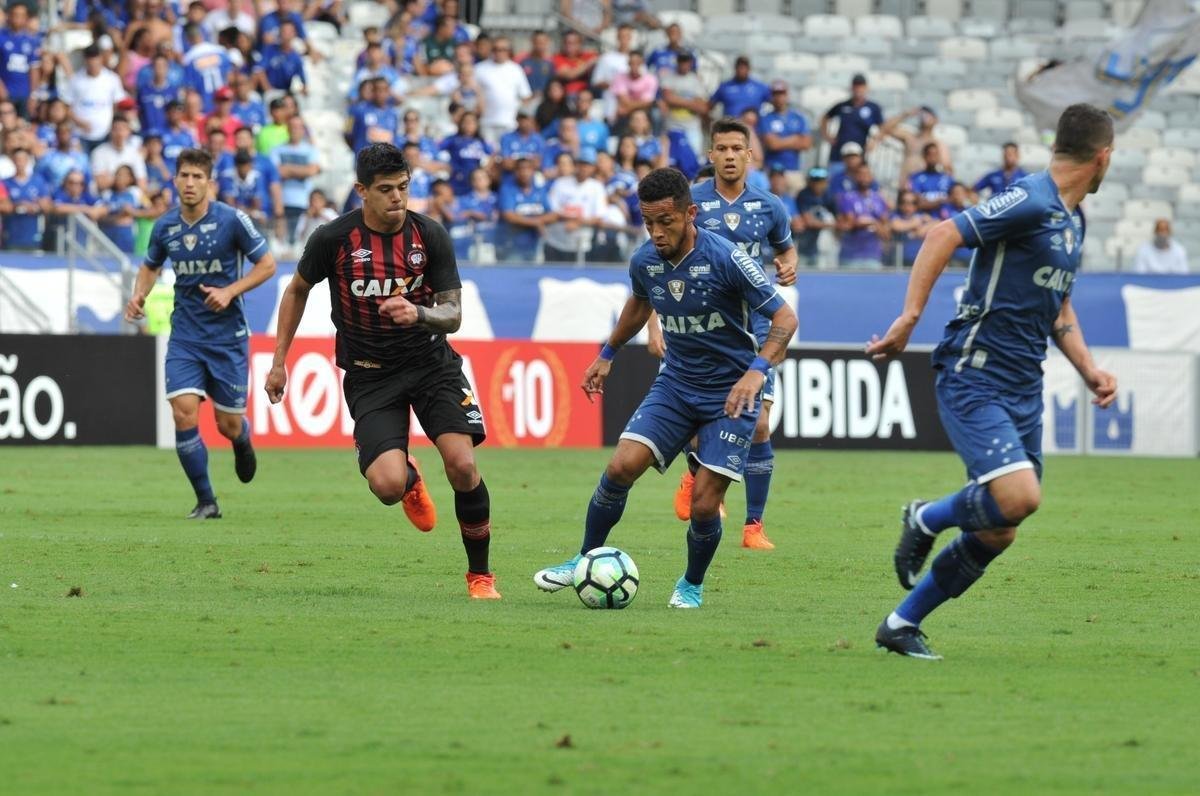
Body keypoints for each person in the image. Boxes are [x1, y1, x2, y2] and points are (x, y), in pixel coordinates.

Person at [866, 103, 1119, 660]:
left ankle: (901, 623)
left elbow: (1059, 309)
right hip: (975, 370)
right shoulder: (1030, 199)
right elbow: (940, 235)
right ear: (1103, 157)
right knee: (1018, 494)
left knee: (1002, 526)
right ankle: (925, 516)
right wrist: (908, 318)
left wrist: (1090, 369)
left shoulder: (1073, 221)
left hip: (1025, 383)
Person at [533, 167, 799, 607]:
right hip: (676, 384)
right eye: (649, 222)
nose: (656, 232)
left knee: (702, 505)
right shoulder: (645, 260)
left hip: (731, 395)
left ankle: (691, 584)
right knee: (620, 468)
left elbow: (785, 319)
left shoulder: (728, 259)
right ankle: (581, 558)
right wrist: (607, 354)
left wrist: (756, 371)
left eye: (666, 221)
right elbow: (639, 303)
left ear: (690, 213)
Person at [265, 142, 501, 600]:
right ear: (362, 191)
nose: (398, 198)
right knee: (387, 485)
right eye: (387, 189)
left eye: (405, 188)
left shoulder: (429, 235)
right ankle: (410, 478)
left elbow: (453, 314)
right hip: (371, 375)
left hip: (433, 366)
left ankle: (481, 577)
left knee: (463, 465)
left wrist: (420, 314)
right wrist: (279, 362)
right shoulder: (333, 239)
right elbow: (296, 291)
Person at [655, 117, 798, 550]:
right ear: (712, 155)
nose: (731, 155)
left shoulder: (770, 206)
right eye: (723, 148)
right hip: (704, 326)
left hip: (756, 328)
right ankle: (695, 474)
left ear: (749, 154)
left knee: (759, 426)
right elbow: (655, 263)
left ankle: (753, 526)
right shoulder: (691, 202)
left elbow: (785, 248)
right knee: (699, 425)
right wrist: (652, 323)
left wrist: (789, 265)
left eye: (738, 148)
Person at [124, 147, 278, 519]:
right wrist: (138, 295)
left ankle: (241, 438)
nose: (190, 183)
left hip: (227, 338)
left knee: (226, 424)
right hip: (186, 337)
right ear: (175, 180)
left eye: (198, 177)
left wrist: (229, 291)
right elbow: (150, 266)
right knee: (183, 414)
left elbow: (268, 265)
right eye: (184, 176)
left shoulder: (232, 220)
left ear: (210, 183)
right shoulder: (165, 226)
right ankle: (207, 501)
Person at [821, 74, 884, 184]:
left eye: (861, 86)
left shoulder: (873, 107)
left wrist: (875, 141)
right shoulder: (843, 105)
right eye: (856, 86)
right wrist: (827, 136)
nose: (858, 89)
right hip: (839, 155)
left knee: (859, 184)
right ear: (852, 88)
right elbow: (825, 118)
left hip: (859, 156)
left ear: (866, 88)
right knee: (836, 183)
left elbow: (883, 127)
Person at [497, 154, 554, 262]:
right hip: (512, 247)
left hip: (537, 245)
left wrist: (535, 221)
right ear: (515, 172)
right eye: (521, 169)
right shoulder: (507, 190)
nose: (524, 173)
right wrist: (536, 223)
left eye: (528, 169)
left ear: (533, 171)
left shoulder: (540, 190)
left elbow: (552, 215)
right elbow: (509, 216)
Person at [758, 81, 811, 193]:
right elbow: (772, 144)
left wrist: (780, 141)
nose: (779, 97)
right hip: (772, 171)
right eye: (776, 94)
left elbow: (806, 144)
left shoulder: (798, 117)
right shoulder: (766, 118)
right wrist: (795, 138)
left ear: (787, 95)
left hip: (793, 170)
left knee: (795, 204)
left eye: (782, 93)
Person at [836, 161, 890, 268]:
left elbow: (886, 232)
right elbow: (847, 224)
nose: (864, 178)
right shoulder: (847, 198)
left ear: (872, 177)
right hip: (850, 256)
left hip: (873, 256)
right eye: (860, 174)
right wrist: (865, 223)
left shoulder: (879, 199)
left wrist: (872, 222)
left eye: (867, 174)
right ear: (855, 177)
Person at [880, 105, 950, 184]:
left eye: (929, 115)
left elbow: (947, 167)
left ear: (935, 120)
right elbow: (885, 128)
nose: (926, 117)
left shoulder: (938, 144)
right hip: (907, 183)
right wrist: (906, 114)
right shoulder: (910, 138)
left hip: (925, 186)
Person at [795, 166, 837, 267]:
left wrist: (833, 224)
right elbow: (809, 221)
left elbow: (840, 219)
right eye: (815, 181)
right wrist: (831, 224)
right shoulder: (804, 195)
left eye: (821, 181)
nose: (817, 184)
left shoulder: (829, 196)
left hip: (826, 244)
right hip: (807, 243)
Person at [709, 56, 770, 120]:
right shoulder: (725, 86)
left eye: (744, 67)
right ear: (735, 68)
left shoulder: (759, 87)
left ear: (749, 69)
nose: (742, 70)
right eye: (740, 67)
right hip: (731, 126)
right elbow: (709, 105)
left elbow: (775, 102)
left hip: (752, 127)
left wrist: (767, 121)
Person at [907, 141, 953, 213]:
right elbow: (919, 203)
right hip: (923, 218)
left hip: (944, 219)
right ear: (924, 156)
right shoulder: (915, 177)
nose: (933, 158)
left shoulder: (947, 178)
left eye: (935, 155)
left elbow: (954, 199)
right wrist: (941, 201)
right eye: (930, 154)